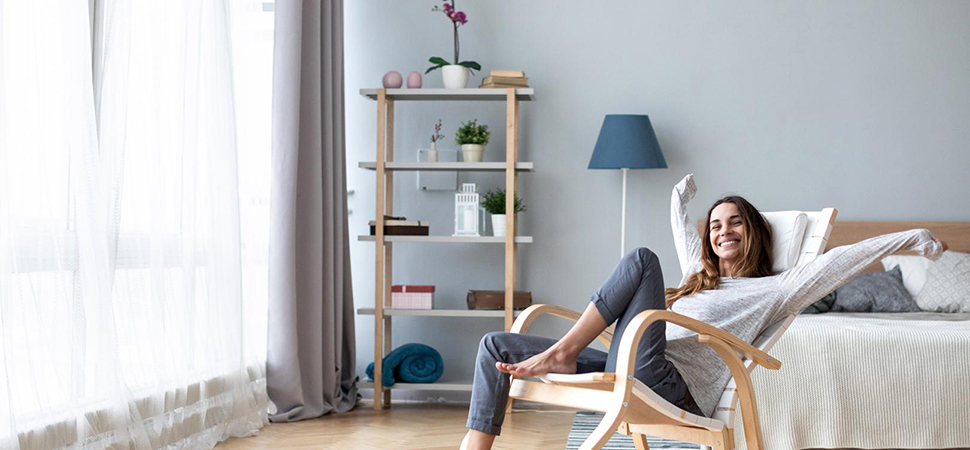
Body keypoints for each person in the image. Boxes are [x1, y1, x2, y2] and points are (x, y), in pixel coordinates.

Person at [460, 174, 947, 450]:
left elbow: (842, 260)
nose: (722, 230)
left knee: (642, 261)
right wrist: (679, 198)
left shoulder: (776, 289)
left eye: (735, 222)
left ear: (754, 231)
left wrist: (911, 239)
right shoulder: (701, 277)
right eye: (715, 225)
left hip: (671, 383)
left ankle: (565, 351)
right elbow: (684, 235)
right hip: (633, 364)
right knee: (493, 344)